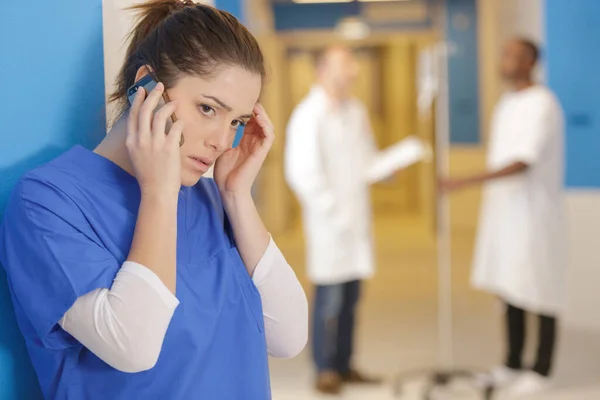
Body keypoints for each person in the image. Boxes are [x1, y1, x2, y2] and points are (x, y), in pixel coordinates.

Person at [0, 1, 308, 399]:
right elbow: (134, 346)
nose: (220, 140)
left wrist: (236, 195)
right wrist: (159, 193)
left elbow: (288, 337)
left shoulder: (215, 200)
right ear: (147, 86)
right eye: (207, 108)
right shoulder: (47, 202)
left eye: (237, 121)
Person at [440, 38, 565, 396]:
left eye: (510, 55)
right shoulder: (508, 103)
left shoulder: (544, 104)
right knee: (510, 287)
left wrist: (464, 180)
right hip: (507, 214)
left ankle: (541, 368)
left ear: (529, 62)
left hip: (535, 214)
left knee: (541, 290)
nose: (502, 60)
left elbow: (522, 162)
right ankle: (512, 362)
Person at [284, 46, 388, 395]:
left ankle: (345, 364)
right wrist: (333, 211)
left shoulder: (355, 111)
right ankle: (324, 368)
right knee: (329, 300)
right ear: (324, 70)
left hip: (356, 221)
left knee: (352, 298)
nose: (355, 70)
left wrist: (388, 166)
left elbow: (366, 159)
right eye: (347, 63)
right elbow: (302, 173)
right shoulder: (308, 115)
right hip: (329, 224)